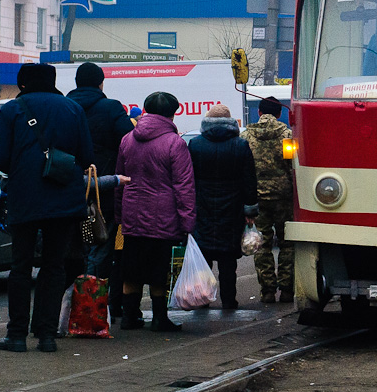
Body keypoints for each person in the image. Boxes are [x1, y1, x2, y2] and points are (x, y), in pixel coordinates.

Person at [0, 63, 94, 354]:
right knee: (54, 266)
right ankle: (47, 336)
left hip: (25, 197)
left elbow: (1, 157)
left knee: (21, 266)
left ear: (22, 84)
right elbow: (86, 156)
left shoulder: (12, 109)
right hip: (64, 197)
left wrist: (23, 167)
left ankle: (16, 335)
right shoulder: (73, 109)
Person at [115, 91, 196, 332]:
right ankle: (160, 318)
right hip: (163, 217)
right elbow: (184, 186)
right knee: (159, 268)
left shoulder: (127, 140)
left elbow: (120, 179)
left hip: (131, 214)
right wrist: (188, 222)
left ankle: (129, 317)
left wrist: (119, 213)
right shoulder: (175, 143)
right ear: (173, 113)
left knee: (131, 267)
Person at [66, 61, 134, 320]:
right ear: (101, 83)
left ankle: (69, 309)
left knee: (74, 248)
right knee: (102, 246)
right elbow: (129, 140)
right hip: (104, 191)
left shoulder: (65, 107)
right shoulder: (111, 108)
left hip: (68, 190)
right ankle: (91, 310)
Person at [188, 104, 258, 311]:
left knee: (203, 256)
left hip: (203, 205)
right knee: (228, 259)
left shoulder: (195, 144)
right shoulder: (241, 145)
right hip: (232, 207)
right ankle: (228, 300)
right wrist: (250, 209)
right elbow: (249, 179)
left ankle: (202, 298)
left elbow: (188, 179)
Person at [243, 96, 294, 303]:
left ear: (259, 112)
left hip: (257, 198)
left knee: (261, 244)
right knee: (287, 243)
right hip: (284, 197)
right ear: (280, 113)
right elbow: (292, 166)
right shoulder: (288, 136)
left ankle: (268, 291)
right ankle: (287, 290)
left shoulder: (246, 137)